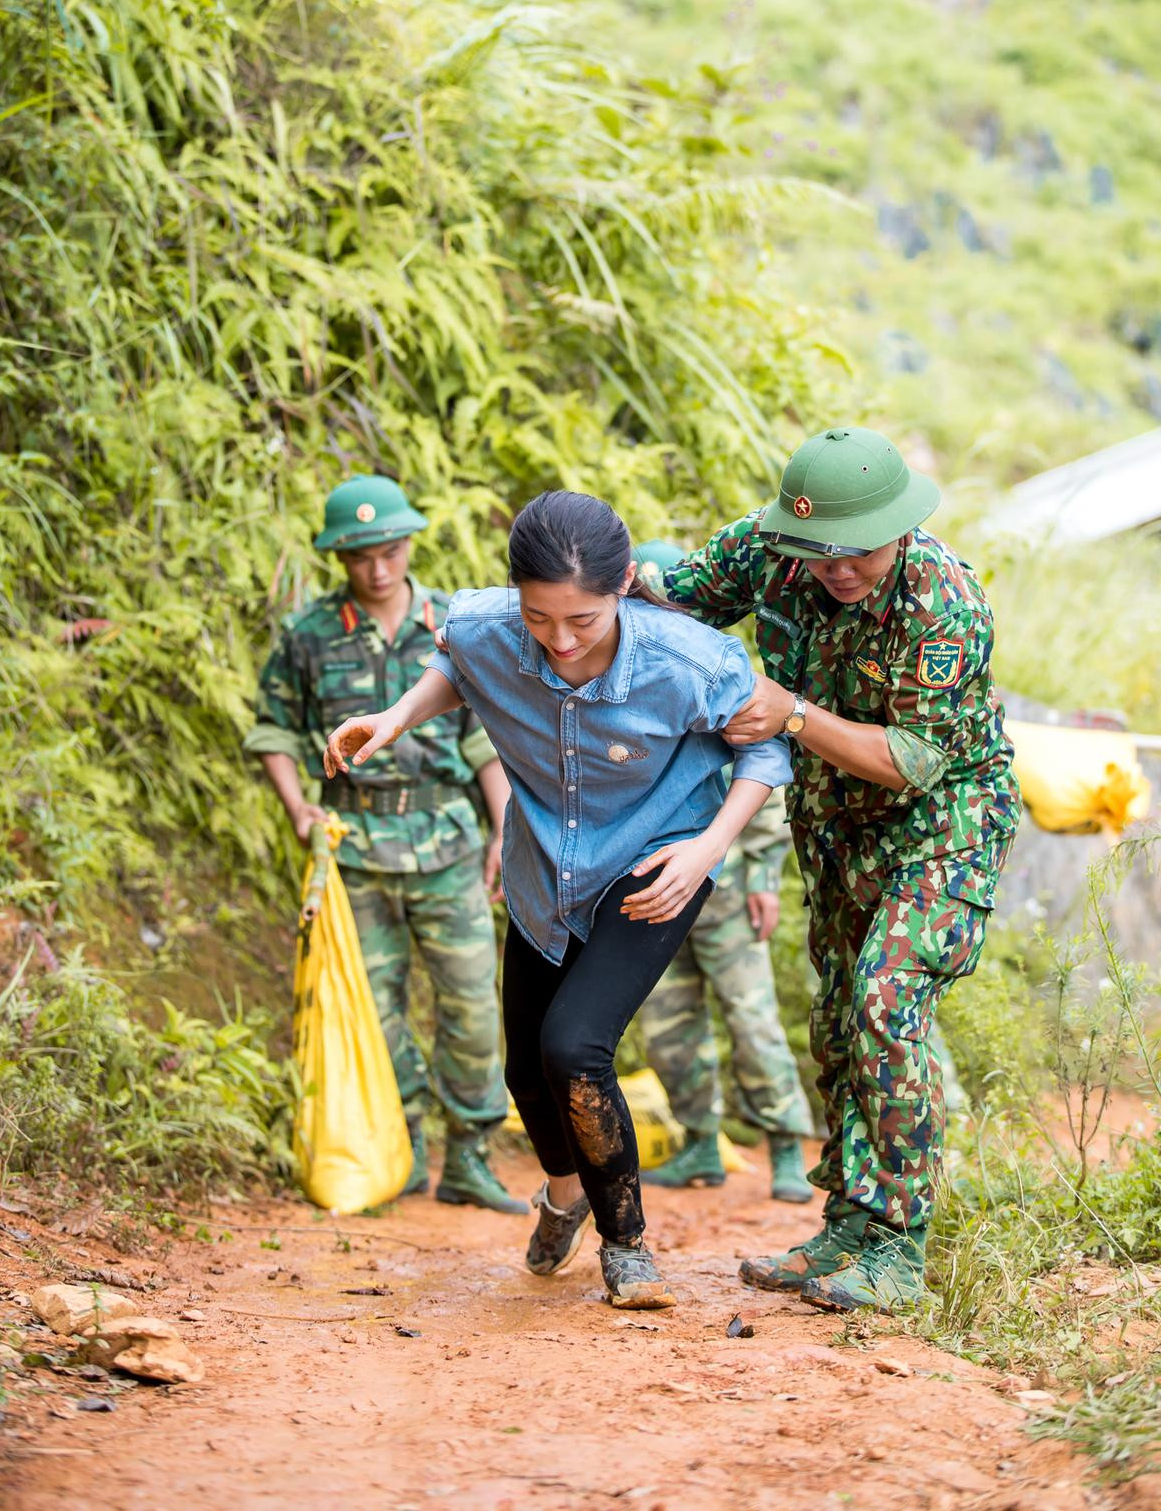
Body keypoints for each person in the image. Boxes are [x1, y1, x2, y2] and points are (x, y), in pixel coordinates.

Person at [322, 491, 793, 1311]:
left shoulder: (688, 660)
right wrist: (396, 717)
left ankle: (627, 1244)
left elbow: (768, 749)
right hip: (545, 865)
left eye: (584, 619)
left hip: (655, 864)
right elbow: (460, 665)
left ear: (621, 590)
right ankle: (565, 1193)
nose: (562, 639)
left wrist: (709, 848)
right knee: (525, 1072)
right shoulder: (484, 625)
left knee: (575, 1048)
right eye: (540, 618)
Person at [661, 428, 1021, 1310]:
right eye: (818, 553)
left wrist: (789, 714)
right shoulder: (768, 550)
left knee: (885, 1004)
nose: (838, 570)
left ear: (897, 529)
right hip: (835, 825)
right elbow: (666, 600)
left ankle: (899, 1247)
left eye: (857, 552)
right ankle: (849, 1227)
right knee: (835, 1020)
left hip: (943, 821)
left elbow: (911, 758)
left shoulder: (944, 604)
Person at [244, 474, 526, 1215]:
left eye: (391, 550)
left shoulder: (452, 625)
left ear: (409, 545)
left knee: (469, 1004)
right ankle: (399, 1151)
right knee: (377, 1007)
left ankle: (470, 1155)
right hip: (357, 845)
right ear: (340, 557)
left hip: (447, 843)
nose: (378, 568)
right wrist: (299, 806)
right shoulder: (308, 637)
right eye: (361, 555)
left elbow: (483, 739)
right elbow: (273, 729)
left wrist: (503, 828)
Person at [632, 543, 816, 1204]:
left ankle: (787, 1147)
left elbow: (762, 774)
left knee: (751, 1014)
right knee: (667, 1018)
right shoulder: (622, 679)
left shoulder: (722, 676)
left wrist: (765, 872)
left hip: (724, 881)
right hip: (647, 880)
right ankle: (700, 1144)